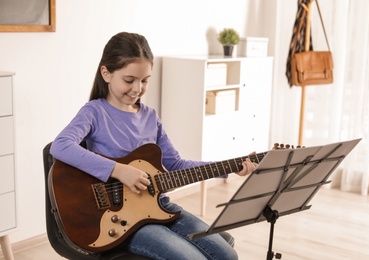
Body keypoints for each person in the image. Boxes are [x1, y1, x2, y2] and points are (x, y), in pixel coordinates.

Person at [50, 32, 258, 260]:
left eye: (145, 80)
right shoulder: (94, 112)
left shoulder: (150, 117)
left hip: (158, 205)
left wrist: (230, 167)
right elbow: (61, 146)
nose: (137, 88)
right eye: (129, 80)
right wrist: (120, 171)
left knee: (228, 255)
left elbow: (176, 164)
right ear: (106, 73)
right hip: (122, 220)